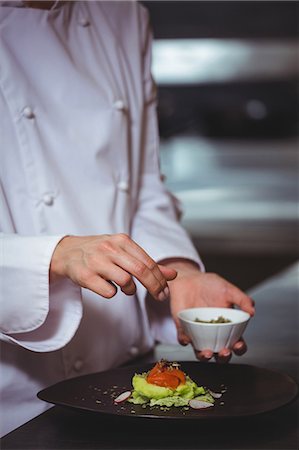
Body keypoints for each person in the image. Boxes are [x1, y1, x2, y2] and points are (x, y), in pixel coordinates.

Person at [0, 0, 255, 437]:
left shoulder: (122, 12)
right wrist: (52, 254)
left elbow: (144, 186)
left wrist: (181, 274)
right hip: (13, 399)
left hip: (122, 376)